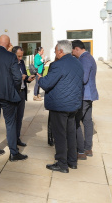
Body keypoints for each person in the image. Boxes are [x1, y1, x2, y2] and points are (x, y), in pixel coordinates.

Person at [38, 40, 84, 173]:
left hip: (60, 106)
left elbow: (46, 84)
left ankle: (62, 163)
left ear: (61, 51)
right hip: (73, 105)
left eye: (56, 50)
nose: (54, 52)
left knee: (60, 135)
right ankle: (72, 161)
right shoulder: (77, 62)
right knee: (70, 134)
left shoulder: (59, 65)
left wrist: (40, 78)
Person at [72, 40, 98, 159]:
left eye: (72, 51)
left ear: (77, 48)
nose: (72, 53)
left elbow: (83, 79)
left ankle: (81, 151)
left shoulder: (84, 59)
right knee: (87, 122)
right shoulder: (88, 57)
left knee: (76, 122)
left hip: (84, 96)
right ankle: (88, 148)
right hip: (88, 95)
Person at [12, 46, 35, 146]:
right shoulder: (10, 64)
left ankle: (17, 138)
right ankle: (12, 139)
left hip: (22, 92)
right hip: (13, 93)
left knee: (20, 117)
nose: (20, 58)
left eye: (21, 56)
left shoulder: (21, 63)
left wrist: (27, 78)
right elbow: (8, 78)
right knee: (13, 118)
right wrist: (19, 77)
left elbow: (24, 75)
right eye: (18, 56)